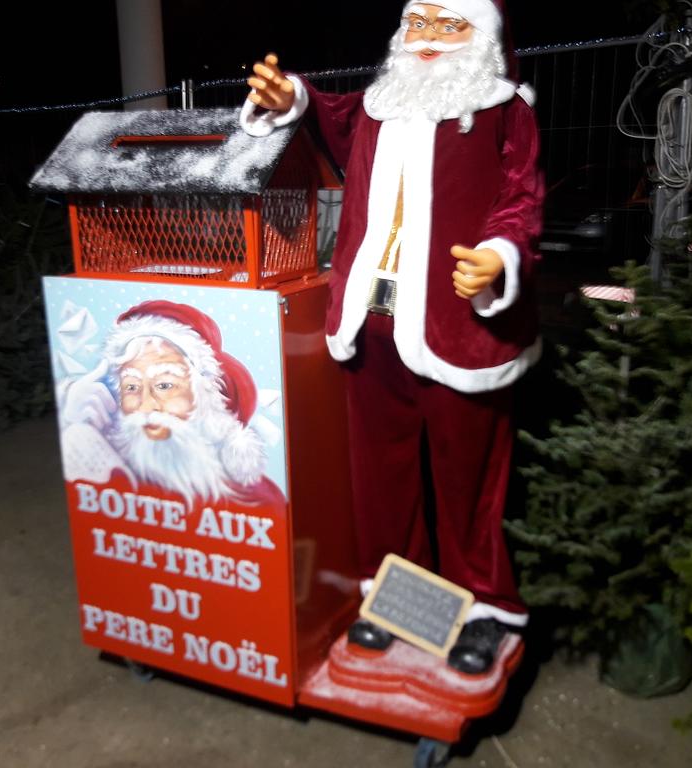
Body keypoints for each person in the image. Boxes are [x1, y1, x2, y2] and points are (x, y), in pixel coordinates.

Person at [241, 0, 543, 674]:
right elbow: (330, 113)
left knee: (469, 485)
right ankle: (404, 604)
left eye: (450, 24)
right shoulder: (381, 104)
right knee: (382, 479)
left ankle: (486, 610)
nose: (430, 37)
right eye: (420, 23)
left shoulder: (503, 110)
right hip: (371, 324)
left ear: (482, 36)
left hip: (459, 327)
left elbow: (522, 199)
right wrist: (291, 97)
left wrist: (500, 256)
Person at [58, 300, 282, 509]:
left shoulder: (256, 499)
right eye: (132, 387)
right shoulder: (105, 463)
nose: (146, 407)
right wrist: (74, 425)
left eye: (164, 385)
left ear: (204, 396)